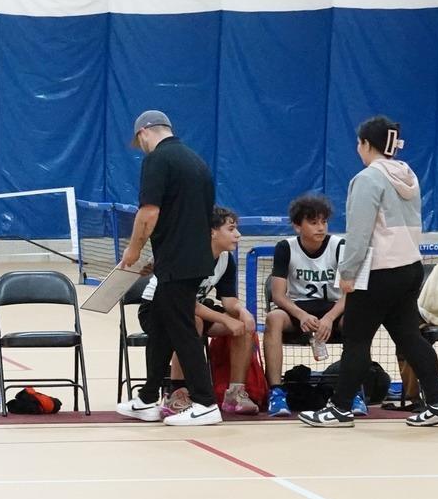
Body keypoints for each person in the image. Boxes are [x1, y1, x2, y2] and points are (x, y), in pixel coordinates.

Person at [299, 116, 438, 428]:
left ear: (367, 144)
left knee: (357, 341)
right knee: (410, 337)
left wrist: (347, 271)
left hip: (379, 270)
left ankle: (340, 409)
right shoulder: (409, 175)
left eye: (359, 143)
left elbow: (359, 232)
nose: (357, 148)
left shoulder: (367, 179)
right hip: (410, 267)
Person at [115, 111, 222, 427]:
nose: (141, 148)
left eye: (139, 142)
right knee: (162, 326)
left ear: (145, 132)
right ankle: (148, 399)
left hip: (177, 262)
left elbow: (149, 212)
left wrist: (133, 251)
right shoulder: (196, 161)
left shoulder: (158, 160)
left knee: (182, 329)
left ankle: (205, 403)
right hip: (189, 258)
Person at [143, 207, 256, 415]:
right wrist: (225, 319)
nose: (238, 235)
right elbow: (182, 303)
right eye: (231, 229)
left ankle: (234, 393)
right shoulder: (188, 255)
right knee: (191, 321)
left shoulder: (224, 260)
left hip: (195, 309)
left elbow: (229, 299)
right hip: (157, 310)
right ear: (212, 232)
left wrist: (242, 311)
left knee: (243, 323)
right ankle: (177, 392)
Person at [260, 194, 345, 418]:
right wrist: (301, 315)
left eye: (323, 222)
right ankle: (276, 392)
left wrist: (329, 318)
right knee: (273, 318)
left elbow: (350, 293)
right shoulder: (285, 247)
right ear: (298, 226)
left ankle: (352, 390)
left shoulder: (339, 246)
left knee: (357, 318)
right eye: (313, 222)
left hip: (333, 310)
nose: (320, 227)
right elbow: (278, 295)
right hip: (299, 310)